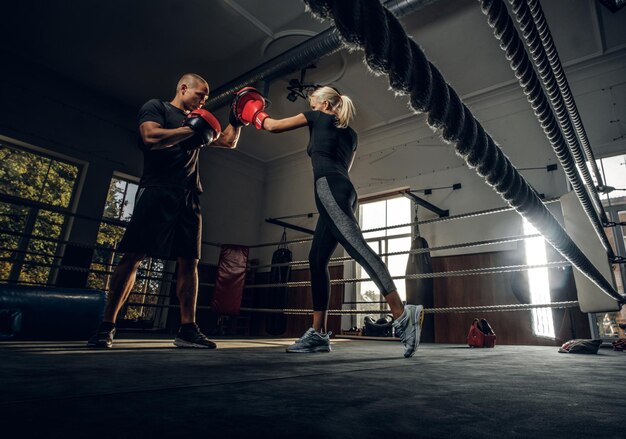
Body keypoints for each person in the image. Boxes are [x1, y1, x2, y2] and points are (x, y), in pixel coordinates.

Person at [233, 86, 424, 357]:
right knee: (316, 260)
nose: (310, 107)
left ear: (323, 105)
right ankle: (319, 334)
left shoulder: (317, 117)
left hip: (328, 188)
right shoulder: (351, 135)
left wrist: (252, 113)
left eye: (313, 103)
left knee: (357, 246)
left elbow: (273, 126)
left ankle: (402, 314)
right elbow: (344, 167)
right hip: (345, 190)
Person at [87, 73, 242, 349]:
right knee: (133, 255)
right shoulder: (157, 107)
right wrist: (192, 130)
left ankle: (187, 329)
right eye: (200, 95)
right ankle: (106, 326)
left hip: (189, 193)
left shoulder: (198, 120)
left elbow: (228, 141)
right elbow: (150, 137)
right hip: (158, 188)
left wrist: (237, 117)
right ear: (183, 88)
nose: (202, 102)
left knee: (189, 261)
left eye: (206, 99)